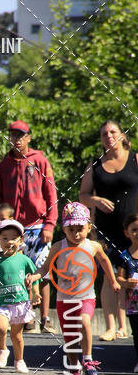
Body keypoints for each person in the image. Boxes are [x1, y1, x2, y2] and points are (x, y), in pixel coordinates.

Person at [41, 202, 120, 375]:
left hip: (86, 297)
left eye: (80, 229)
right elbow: (45, 268)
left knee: (84, 322)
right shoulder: (58, 247)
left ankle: (87, 359)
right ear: (64, 229)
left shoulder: (92, 246)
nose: (76, 233)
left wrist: (113, 280)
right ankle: (75, 370)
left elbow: (104, 260)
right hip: (64, 299)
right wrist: (35, 276)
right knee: (70, 337)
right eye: (71, 229)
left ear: (88, 227)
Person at [0, 121, 58, 334]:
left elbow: (51, 195)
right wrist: (0, 225)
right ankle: (25, 317)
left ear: (29, 137)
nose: (17, 139)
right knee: (18, 272)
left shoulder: (40, 161)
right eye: (13, 135)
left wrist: (50, 224)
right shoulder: (4, 166)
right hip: (14, 228)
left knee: (42, 272)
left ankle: (45, 318)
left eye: (21, 135)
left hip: (39, 226)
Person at [79, 120, 138, 341]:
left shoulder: (135, 159)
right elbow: (82, 195)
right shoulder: (95, 165)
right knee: (109, 276)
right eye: (104, 133)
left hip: (133, 229)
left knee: (131, 276)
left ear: (122, 135)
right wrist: (95, 200)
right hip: (106, 230)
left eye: (113, 132)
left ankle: (126, 326)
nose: (109, 136)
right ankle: (111, 326)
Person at [0, 219, 41, 373]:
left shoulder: (25, 260)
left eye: (14, 238)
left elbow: (35, 277)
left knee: (17, 335)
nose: (9, 241)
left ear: (21, 240)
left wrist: (36, 294)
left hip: (20, 303)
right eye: (5, 238)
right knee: (1, 327)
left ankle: (19, 360)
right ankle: (2, 350)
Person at [116, 214, 138, 372]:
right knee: (136, 334)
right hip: (133, 304)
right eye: (134, 230)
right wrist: (125, 282)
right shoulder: (124, 255)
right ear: (127, 233)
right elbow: (119, 278)